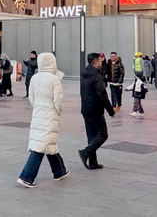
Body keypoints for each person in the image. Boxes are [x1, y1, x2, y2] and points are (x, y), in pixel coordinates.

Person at [17, 53, 69, 188]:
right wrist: (58, 112)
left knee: (47, 141)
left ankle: (59, 171)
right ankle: (26, 176)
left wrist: (38, 107)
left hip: (38, 112)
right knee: (41, 145)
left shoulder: (35, 77)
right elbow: (58, 100)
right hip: (50, 113)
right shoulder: (54, 79)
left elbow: (31, 97)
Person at [78, 52, 115, 170]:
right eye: (100, 60)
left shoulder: (84, 73)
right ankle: (85, 152)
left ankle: (92, 162)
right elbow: (102, 94)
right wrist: (110, 110)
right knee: (103, 134)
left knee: (92, 136)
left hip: (85, 108)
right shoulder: (96, 75)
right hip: (95, 109)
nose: (101, 62)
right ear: (95, 61)